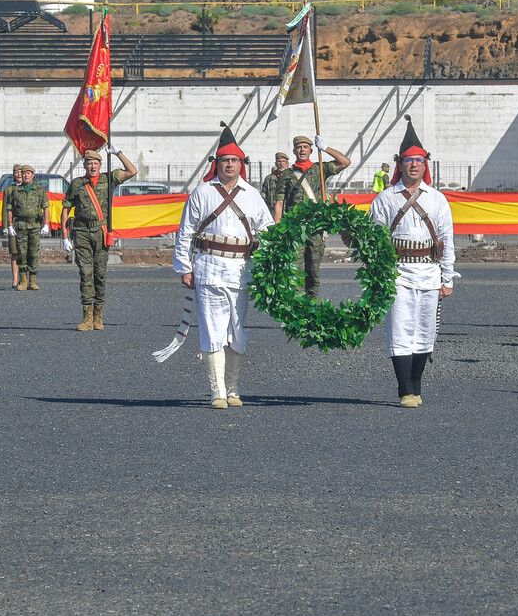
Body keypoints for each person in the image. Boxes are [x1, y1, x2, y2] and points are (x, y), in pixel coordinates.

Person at [172, 124, 274, 409]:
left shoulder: (252, 195)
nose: (229, 165)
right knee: (213, 328)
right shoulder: (202, 193)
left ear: (242, 163)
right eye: (225, 160)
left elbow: (267, 230)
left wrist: (267, 259)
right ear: (216, 163)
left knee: (238, 330)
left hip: (242, 269)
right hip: (209, 267)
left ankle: (233, 388)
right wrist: (184, 267)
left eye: (234, 160)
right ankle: (217, 391)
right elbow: (186, 231)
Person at [370, 119, 456, 408]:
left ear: (425, 165)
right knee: (400, 329)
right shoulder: (385, 199)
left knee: (425, 329)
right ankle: (404, 389)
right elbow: (374, 239)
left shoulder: (438, 199)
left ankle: (417, 386)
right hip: (397, 272)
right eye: (409, 161)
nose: (414, 166)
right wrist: (377, 276)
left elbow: (446, 239)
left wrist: (447, 278)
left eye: (419, 161)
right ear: (400, 165)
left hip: (429, 271)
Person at [62, 147, 137, 331]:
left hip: (100, 232)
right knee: (86, 274)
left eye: (95, 163)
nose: (92, 166)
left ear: (100, 165)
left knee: (100, 275)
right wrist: (64, 236)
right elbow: (66, 208)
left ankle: (98, 316)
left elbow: (132, 171)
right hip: (81, 232)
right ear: (85, 165)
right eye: (89, 163)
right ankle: (86, 318)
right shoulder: (77, 183)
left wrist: (118, 153)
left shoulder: (108, 179)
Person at [278, 134, 352, 297]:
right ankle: (297, 311)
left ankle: (310, 306)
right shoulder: (287, 174)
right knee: (295, 271)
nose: (302, 149)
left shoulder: (320, 169)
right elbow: (279, 202)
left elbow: (345, 162)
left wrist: (325, 148)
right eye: (298, 147)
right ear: (294, 151)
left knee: (313, 270)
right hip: (295, 229)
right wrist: (277, 228)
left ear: (311, 150)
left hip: (315, 228)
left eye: (305, 147)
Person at [6, 165, 49, 290]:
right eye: (23, 173)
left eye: (28, 173)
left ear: (33, 175)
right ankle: (23, 280)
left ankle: (33, 280)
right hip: (21, 225)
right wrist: (9, 225)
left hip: (35, 225)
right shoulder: (15, 191)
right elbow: (9, 209)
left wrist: (46, 224)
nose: (25, 175)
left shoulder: (39, 190)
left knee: (34, 252)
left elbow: (46, 208)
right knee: (22, 253)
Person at [2, 164, 22, 288]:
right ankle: (15, 279)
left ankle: (25, 279)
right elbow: (5, 208)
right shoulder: (9, 190)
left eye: (21, 171)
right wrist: (5, 226)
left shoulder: (30, 188)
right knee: (14, 253)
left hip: (26, 224)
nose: (19, 174)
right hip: (13, 224)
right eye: (16, 172)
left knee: (26, 253)